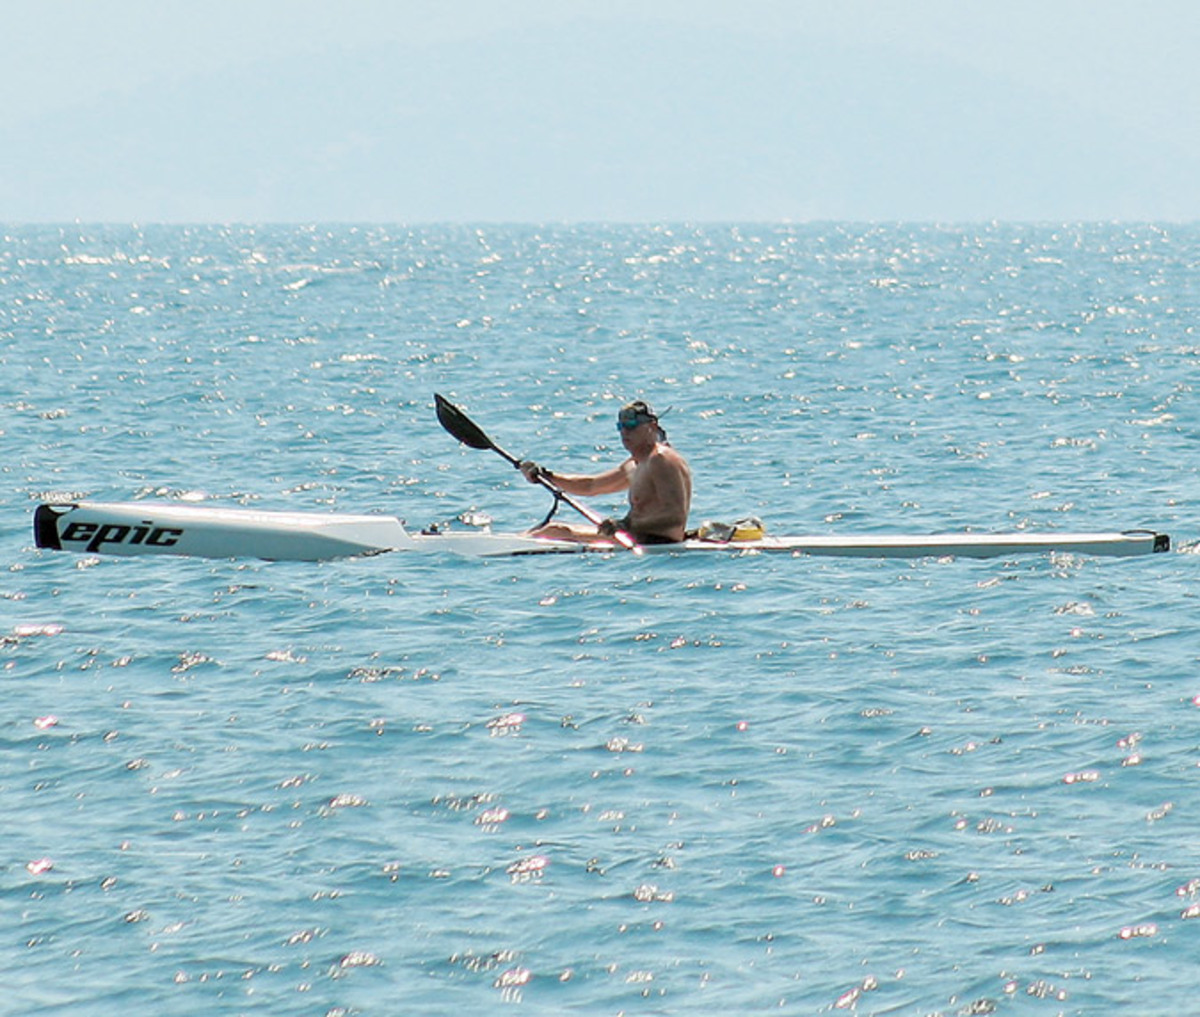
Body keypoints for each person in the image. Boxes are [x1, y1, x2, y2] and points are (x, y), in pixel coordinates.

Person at [518, 400, 692, 544]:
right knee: (551, 529)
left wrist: (625, 524)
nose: (624, 432)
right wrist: (546, 476)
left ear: (651, 427)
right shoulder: (635, 464)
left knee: (555, 531)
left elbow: (675, 516)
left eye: (631, 425)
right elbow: (591, 486)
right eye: (621, 426)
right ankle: (514, 540)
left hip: (656, 542)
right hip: (634, 536)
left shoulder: (661, 460)